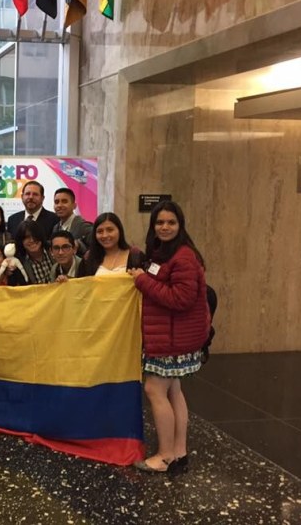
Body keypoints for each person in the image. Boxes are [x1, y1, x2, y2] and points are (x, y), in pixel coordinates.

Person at [127, 201, 210, 474]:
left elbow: (180, 299)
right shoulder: (164, 253)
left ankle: (164, 456)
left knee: (155, 390)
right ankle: (179, 452)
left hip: (171, 339)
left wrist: (141, 280)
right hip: (170, 336)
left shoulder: (184, 257)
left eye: (170, 222)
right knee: (173, 390)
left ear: (180, 224)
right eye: (159, 222)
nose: (164, 227)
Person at [77, 212, 145, 277]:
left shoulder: (135, 256)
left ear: (119, 231)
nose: (105, 235)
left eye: (110, 230)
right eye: (100, 231)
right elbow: (81, 285)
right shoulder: (88, 258)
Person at [51, 188, 92, 257]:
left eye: (64, 201)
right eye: (56, 202)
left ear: (74, 205)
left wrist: (80, 245)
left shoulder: (84, 226)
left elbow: (98, 249)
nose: (59, 205)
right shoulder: (55, 228)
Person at [13, 219, 55, 285]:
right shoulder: (19, 262)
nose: (32, 240)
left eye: (34, 235)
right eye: (27, 237)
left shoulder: (54, 249)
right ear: (21, 241)